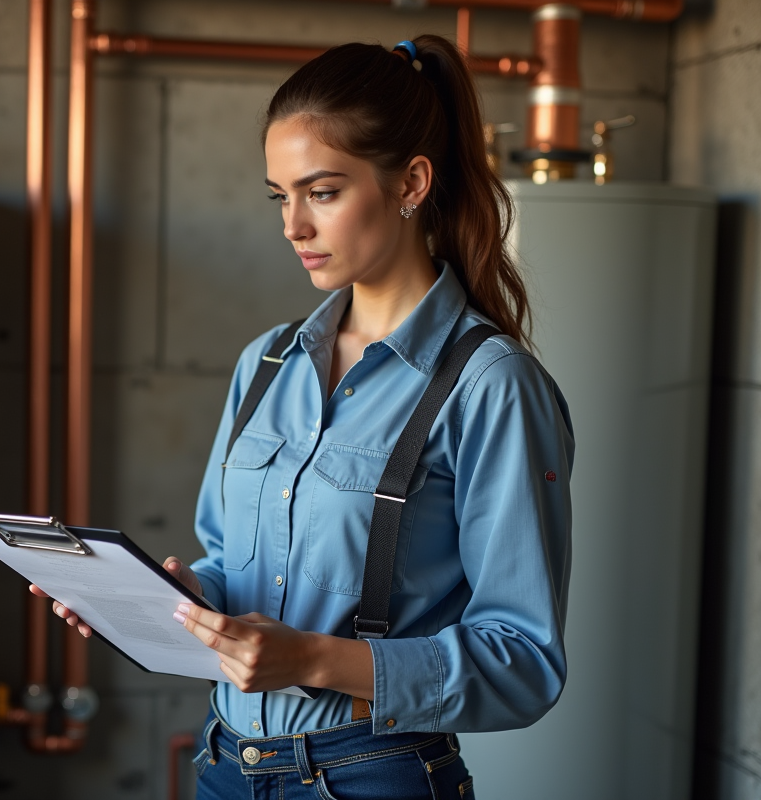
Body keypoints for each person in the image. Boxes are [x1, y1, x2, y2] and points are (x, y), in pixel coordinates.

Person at [34, 35, 574, 800]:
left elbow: (523, 662)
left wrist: (313, 661)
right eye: (279, 196)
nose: (293, 225)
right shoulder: (267, 362)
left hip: (370, 776)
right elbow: (236, 568)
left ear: (411, 182)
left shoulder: (491, 386)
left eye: (321, 192)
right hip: (227, 764)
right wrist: (169, 600)